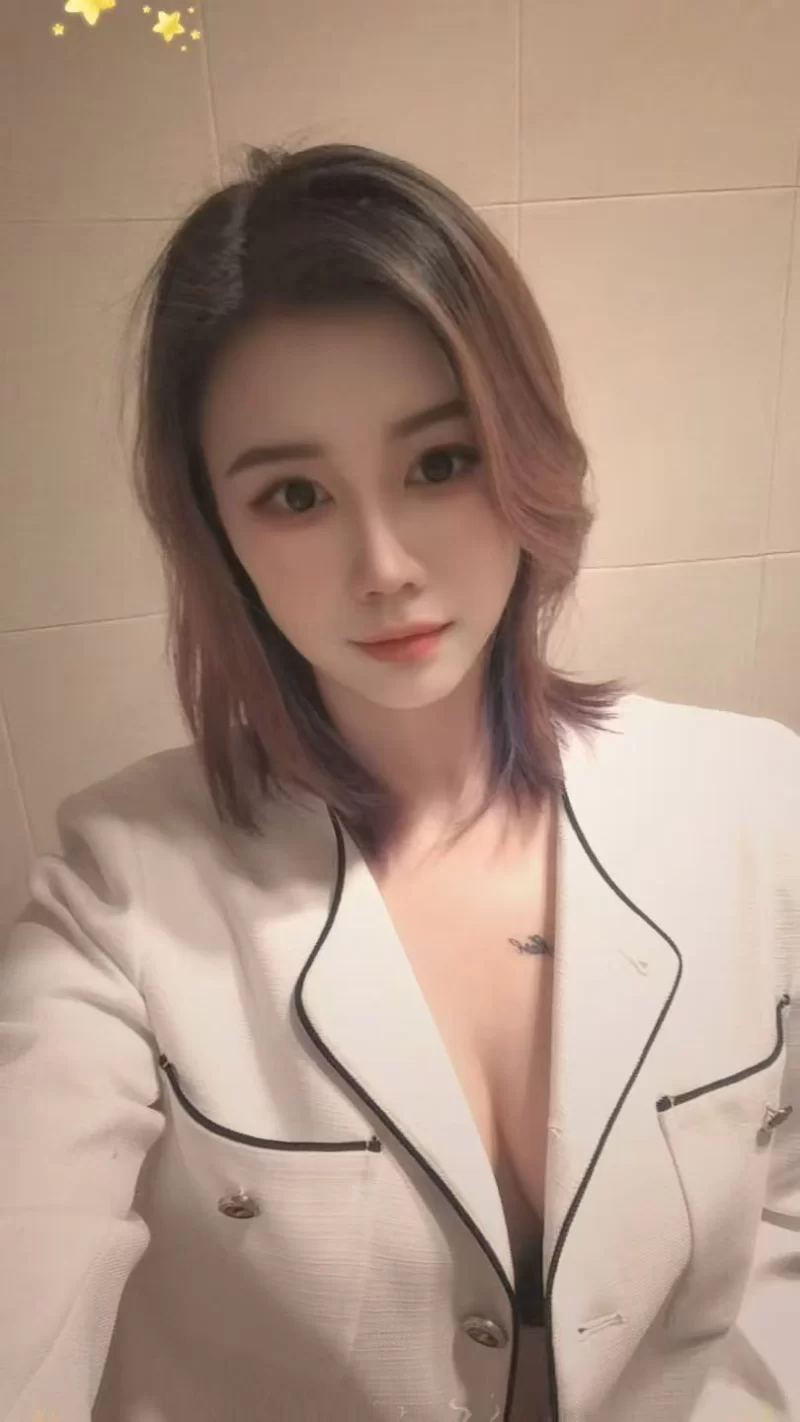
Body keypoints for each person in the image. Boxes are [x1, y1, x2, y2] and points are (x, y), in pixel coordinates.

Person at [0, 141, 797, 1422]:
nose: (383, 566)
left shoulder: (755, 806)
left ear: (522, 451)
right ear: (218, 533)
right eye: (294, 495)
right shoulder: (118, 900)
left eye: (438, 463)